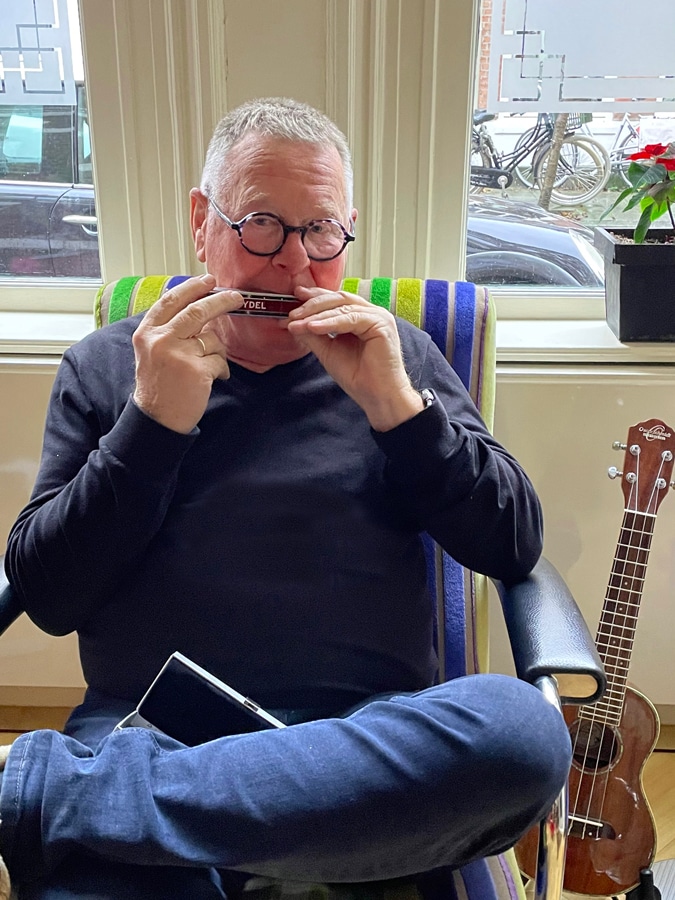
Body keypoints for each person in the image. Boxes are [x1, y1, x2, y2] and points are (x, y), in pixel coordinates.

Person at [0, 97, 571, 899]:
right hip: (157, 738)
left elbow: (510, 545)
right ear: (203, 220)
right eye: (263, 224)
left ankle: (54, 796)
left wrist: (399, 413)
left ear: (348, 229)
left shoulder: (393, 354)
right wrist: (152, 425)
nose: (294, 265)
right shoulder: (110, 366)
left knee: (521, 734)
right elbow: (47, 593)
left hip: (362, 754)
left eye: (322, 232)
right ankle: (251, 840)